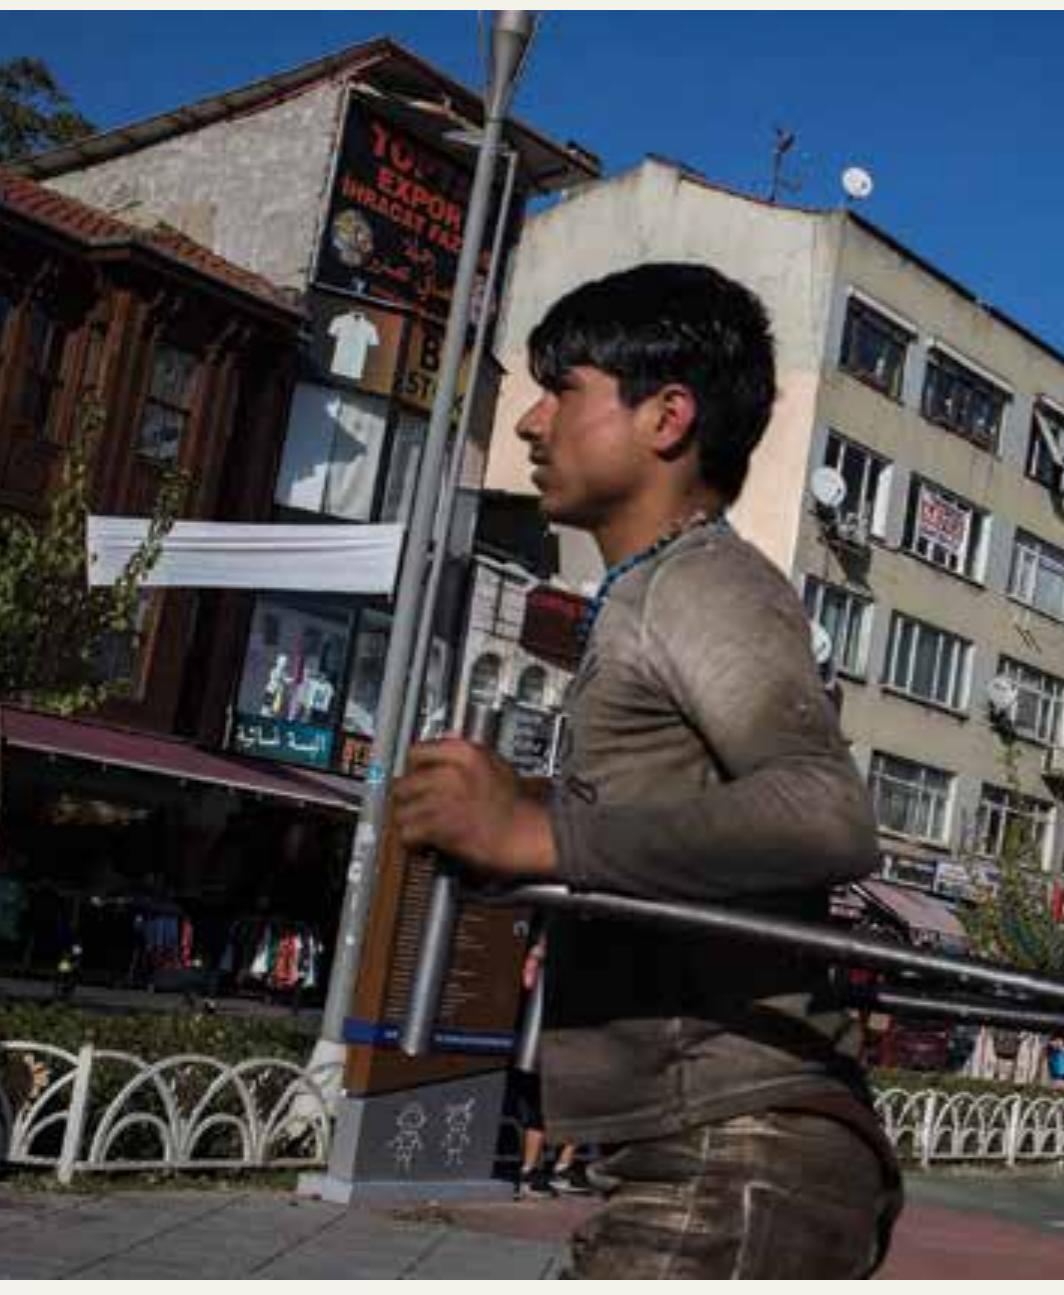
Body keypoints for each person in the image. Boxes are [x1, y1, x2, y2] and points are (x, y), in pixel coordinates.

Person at [393, 263, 899, 1279]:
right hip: (708, 1152)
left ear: (667, 417)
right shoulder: (649, 590)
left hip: (738, 1149)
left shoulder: (704, 582)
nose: (531, 421)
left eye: (562, 389)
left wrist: (542, 833)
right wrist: (520, 812)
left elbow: (825, 814)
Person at [508, 935, 586, 1199]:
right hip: (545, 1042)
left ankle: (562, 1168)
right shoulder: (543, 959)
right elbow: (529, 982)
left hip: (571, 1040)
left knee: (584, 1103)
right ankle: (529, 1173)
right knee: (540, 1107)